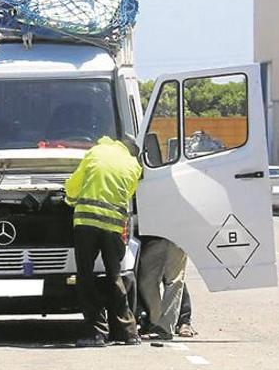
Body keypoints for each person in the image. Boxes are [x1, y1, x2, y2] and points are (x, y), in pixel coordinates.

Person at [65, 135, 142, 347]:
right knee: (115, 277)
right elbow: (128, 194)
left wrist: (69, 200)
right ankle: (129, 332)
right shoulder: (134, 166)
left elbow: (73, 187)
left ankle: (97, 333)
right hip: (114, 227)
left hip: (86, 224)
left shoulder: (96, 152)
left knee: (86, 277)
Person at [138, 237, 188, 340]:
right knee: (146, 282)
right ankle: (155, 321)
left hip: (178, 237)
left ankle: (165, 328)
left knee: (174, 282)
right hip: (153, 237)